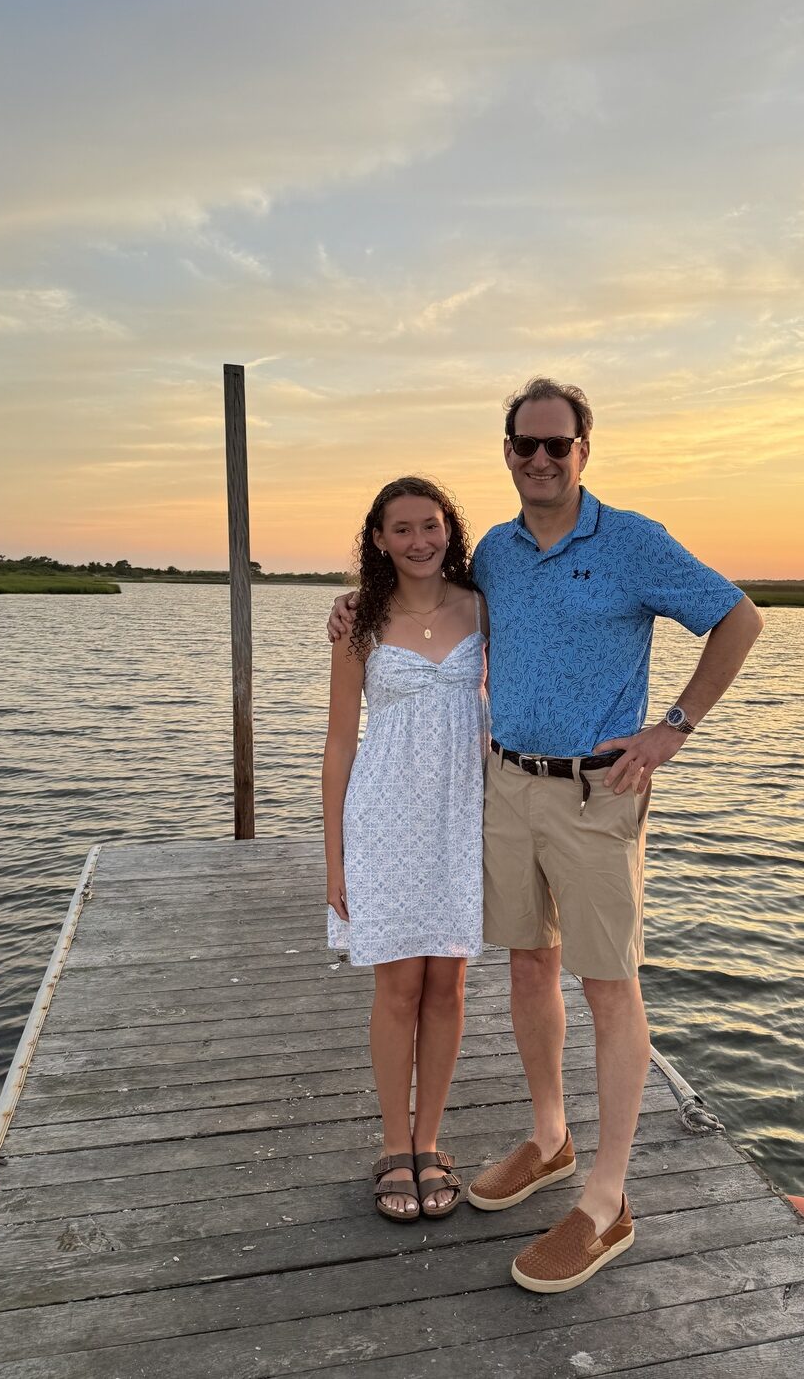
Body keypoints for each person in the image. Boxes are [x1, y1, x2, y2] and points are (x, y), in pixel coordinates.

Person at [328, 377, 763, 1289]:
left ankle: (606, 1200)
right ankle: (550, 1137)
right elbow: (424, 600)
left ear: (582, 450)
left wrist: (671, 727)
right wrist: (349, 607)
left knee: (609, 985)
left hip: (598, 793)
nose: (538, 459)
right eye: (522, 444)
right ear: (507, 451)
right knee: (527, 964)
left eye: (554, 445)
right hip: (506, 788)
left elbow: (737, 617)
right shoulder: (495, 551)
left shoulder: (632, 541)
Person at [322, 476, 489, 1223]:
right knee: (396, 989)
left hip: (462, 813)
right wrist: (334, 858)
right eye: (403, 529)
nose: (420, 541)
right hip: (384, 817)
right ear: (380, 538)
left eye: (432, 525)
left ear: (449, 529)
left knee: (448, 986)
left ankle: (430, 1142)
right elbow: (337, 742)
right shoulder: (358, 621)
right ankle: (395, 1145)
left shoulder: (484, 607)